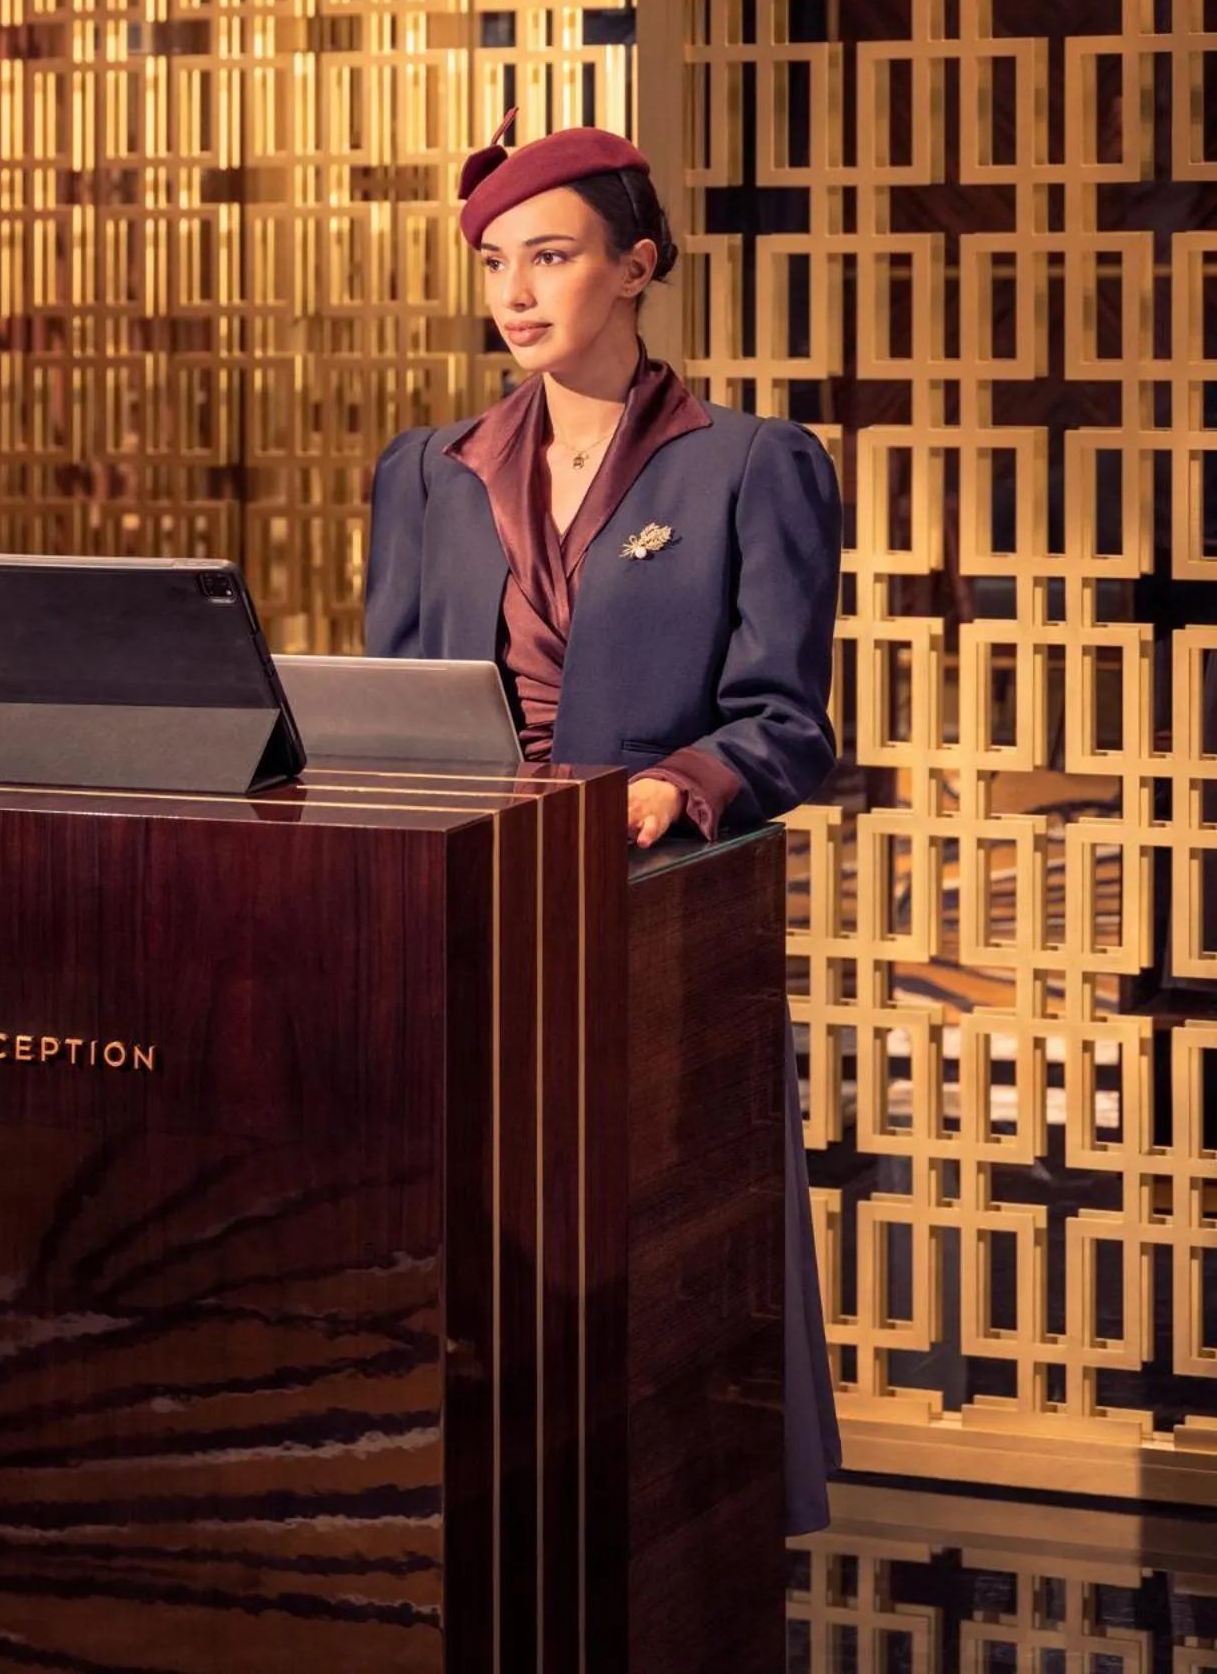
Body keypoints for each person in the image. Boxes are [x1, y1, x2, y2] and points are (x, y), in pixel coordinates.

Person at [363, 113, 843, 1536]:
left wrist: (673, 783)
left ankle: (666, 1527)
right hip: (468, 909)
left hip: (645, 911)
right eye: (497, 263)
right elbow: (387, 702)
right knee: (468, 1267)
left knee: (650, 1261)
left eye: (552, 257)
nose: (515, 294)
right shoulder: (424, 470)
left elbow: (788, 728)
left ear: (637, 266)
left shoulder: (753, 464)